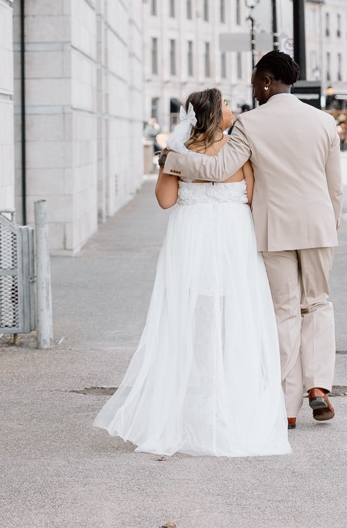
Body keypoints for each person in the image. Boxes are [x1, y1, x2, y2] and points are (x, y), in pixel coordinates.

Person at [94, 88, 290, 458]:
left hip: (191, 241)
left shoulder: (176, 155)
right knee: (234, 320)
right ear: (216, 115)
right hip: (232, 241)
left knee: (192, 320)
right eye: (227, 104)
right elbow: (251, 196)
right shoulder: (237, 150)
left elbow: (166, 201)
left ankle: (191, 407)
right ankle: (228, 403)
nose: (233, 109)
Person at [161, 51, 342, 429]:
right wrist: (331, 225)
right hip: (318, 225)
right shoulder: (324, 122)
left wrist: (172, 161)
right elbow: (334, 187)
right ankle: (319, 387)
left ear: (265, 81)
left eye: (255, 81)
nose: (252, 90)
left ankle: (287, 407)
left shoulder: (250, 124)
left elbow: (219, 169)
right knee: (318, 304)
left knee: (286, 311)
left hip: (273, 227)